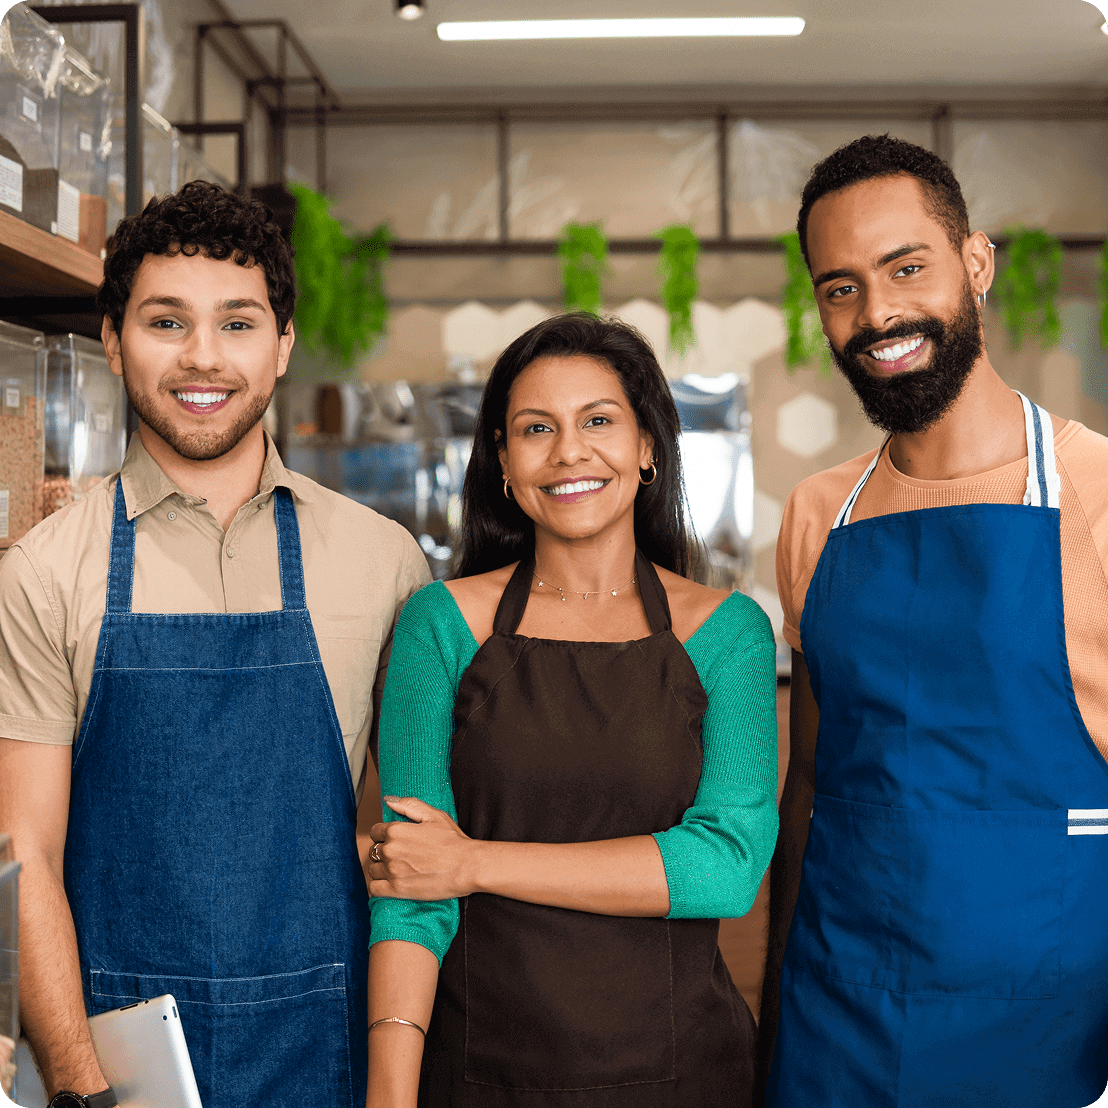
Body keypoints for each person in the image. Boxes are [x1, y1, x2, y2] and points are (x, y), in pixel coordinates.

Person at [0, 182, 430, 1108]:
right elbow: (21, 850)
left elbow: (405, 852)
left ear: (281, 345)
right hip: (114, 1056)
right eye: (166, 321)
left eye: (238, 323)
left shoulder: (385, 563)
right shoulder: (42, 571)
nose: (204, 357)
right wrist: (83, 1086)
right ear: (113, 340)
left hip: (327, 1047)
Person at [758, 135, 1108, 1107]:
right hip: (838, 1023)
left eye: (905, 267)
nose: (877, 315)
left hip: (1053, 1030)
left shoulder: (1096, 492)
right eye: (839, 288)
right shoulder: (816, 513)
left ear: (977, 262)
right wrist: (777, 1018)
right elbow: (810, 786)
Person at [363, 313, 778, 1108]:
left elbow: (726, 868)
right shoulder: (439, 626)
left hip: (682, 1072)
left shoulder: (727, 634)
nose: (568, 452)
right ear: (503, 460)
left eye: (598, 421)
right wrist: (390, 1096)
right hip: (481, 1066)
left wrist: (477, 862)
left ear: (648, 447)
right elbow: (415, 891)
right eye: (535, 429)